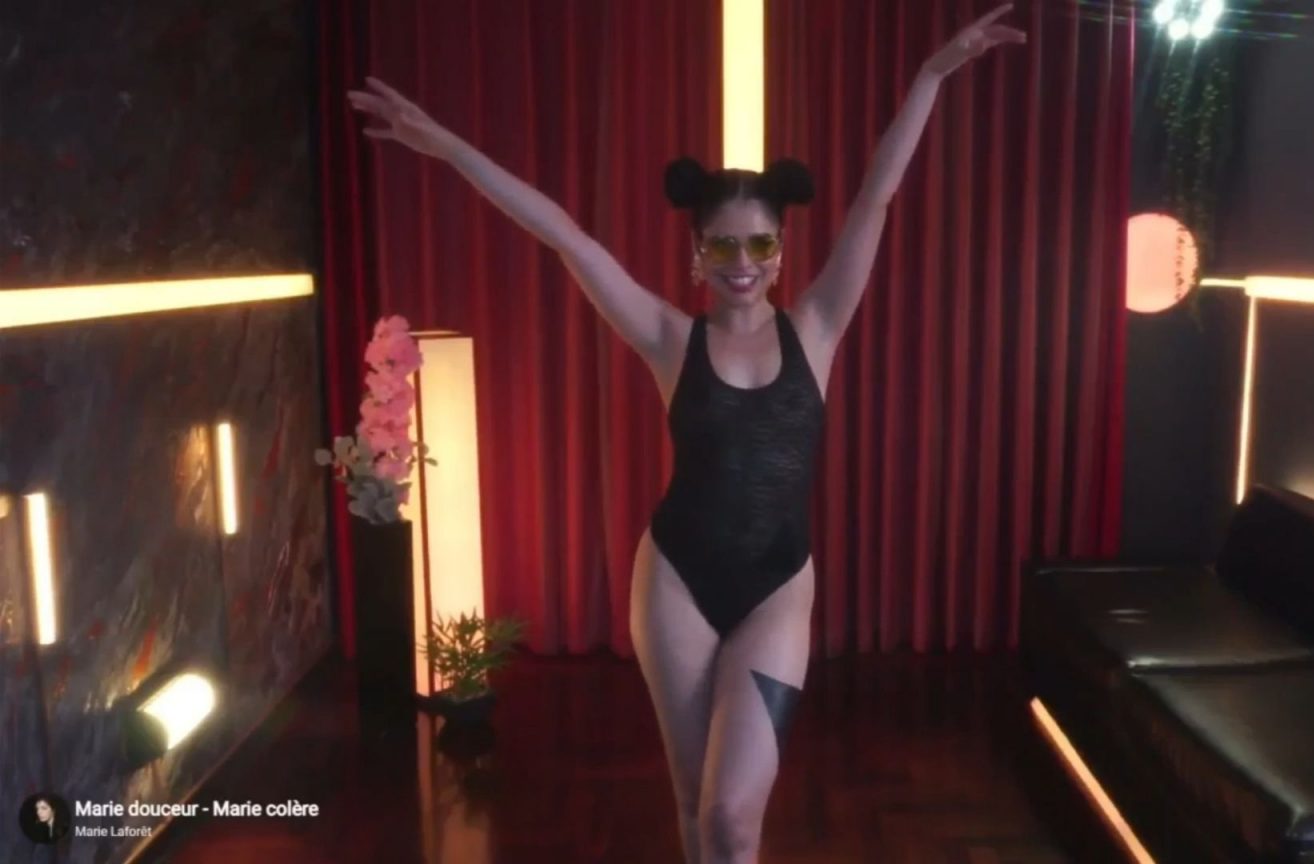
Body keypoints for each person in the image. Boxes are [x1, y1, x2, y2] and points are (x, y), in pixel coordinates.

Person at [348, 5, 1026, 862]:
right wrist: (446, 146)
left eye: (759, 244)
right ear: (695, 254)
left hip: (778, 586)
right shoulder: (671, 338)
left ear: (781, 250)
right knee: (696, 808)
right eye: (722, 247)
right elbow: (562, 233)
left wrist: (932, 74)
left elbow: (877, 195)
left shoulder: (817, 328)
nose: (742, 263)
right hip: (674, 580)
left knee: (735, 817)